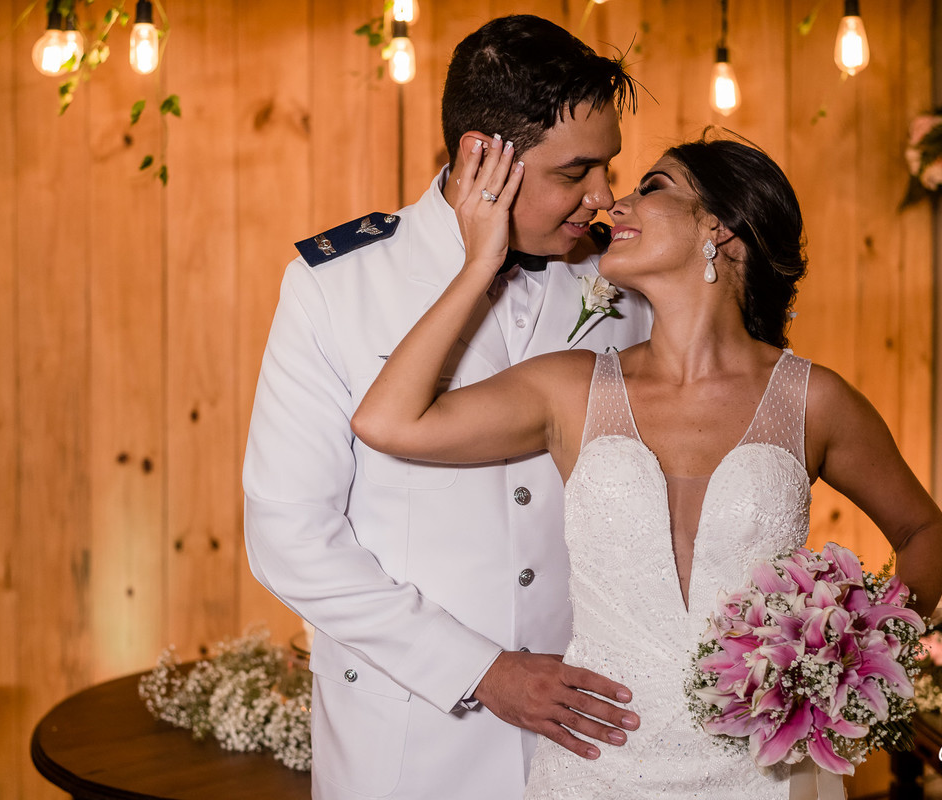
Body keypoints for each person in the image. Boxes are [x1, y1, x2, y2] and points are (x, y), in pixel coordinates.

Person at [351, 133, 942, 797]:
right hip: (599, 759)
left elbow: (923, 532)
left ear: (720, 229)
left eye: (654, 186)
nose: (616, 204)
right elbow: (386, 421)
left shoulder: (813, 400)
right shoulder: (572, 388)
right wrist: (478, 264)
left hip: (762, 769)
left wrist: (859, 654)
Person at [242, 15, 653, 800]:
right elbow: (289, 534)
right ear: (481, 155)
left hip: (597, 730)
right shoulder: (335, 286)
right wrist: (480, 670)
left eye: (610, 167)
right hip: (406, 743)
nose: (603, 196)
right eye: (577, 172)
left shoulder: (625, 287)